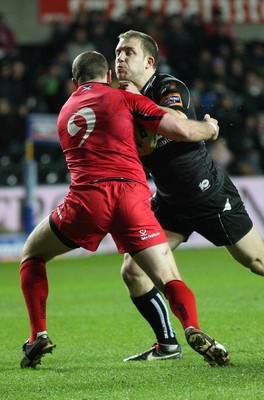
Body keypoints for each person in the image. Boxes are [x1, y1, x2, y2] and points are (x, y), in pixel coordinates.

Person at [19, 50, 227, 369]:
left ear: (74, 81)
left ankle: (38, 335)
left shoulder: (64, 111)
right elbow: (180, 129)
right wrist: (209, 129)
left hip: (87, 199)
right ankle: (192, 327)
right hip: (131, 196)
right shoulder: (123, 98)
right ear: (108, 76)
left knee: (33, 253)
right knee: (167, 275)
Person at [115, 30, 264, 362]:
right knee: (133, 270)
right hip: (169, 203)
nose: (121, 59)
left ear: (149, 61)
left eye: (129, 53)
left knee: (257, 262)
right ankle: (167, 344)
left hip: (209, 194)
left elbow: (179, 122)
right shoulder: (118, 98)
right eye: (118, 53)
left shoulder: (168, 87)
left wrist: (140, 103)